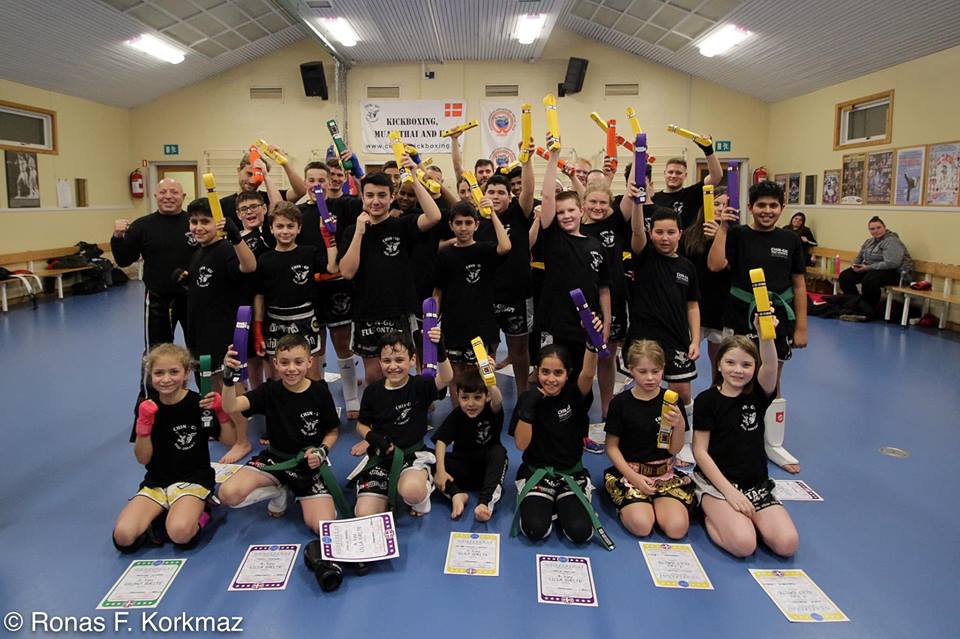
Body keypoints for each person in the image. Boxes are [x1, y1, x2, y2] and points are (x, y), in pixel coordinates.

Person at [707, 180, 807, 474]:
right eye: (761, 205)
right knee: (733, 374)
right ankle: (727, 433)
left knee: (771, 377)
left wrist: (801, 326)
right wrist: (724, 227)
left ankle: (769, 441)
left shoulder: (790, 240)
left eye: (773, 206)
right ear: (750, 207)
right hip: (740, 313)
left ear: (782, 208)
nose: (767, 211)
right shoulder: (737, 235)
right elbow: (715, 265)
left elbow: (800, 285)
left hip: (778, 316)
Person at [112, 344, 236, 552]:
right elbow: (143, 458)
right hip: (157, 482)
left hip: (193, 480)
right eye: (159, 373)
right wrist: (143, 427)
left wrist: (221, 413)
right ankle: (163, 512)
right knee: (124, 537)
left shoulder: (198, 403)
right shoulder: (147, 407)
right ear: (150, 375)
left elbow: (230, 440)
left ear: (186, 372)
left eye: (174, 372)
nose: (166, 379)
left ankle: (201, 510)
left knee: (180, 533)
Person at [219, 335, 345, 534]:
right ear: (276, 364)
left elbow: (332, 431)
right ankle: (278, 491)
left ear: (310, 362)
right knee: (228, 494)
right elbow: (230, 405)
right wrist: (228, 379)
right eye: (285, 363)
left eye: (298, 362)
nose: (291, 369)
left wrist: (322, 451)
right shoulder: (268, 391)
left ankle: (293, 490)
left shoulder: (319, 392)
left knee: (323, 526)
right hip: (275, 460)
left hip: (308, 465)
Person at [692, 332, 800, 558]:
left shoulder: (759, 395)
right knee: (744, 545)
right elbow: (700, 451)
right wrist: (730, 493)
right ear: (719, 364)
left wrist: (766, 334)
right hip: (718, 484)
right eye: (730, 362)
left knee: (787, 544)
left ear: (754, 367)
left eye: (746, 364)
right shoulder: (707, 400)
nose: (738, 370)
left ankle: (742, 520)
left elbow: (771, 364)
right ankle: (709, 511)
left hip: (755, 484)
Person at [339, 165, 443, 385]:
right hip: (366, 311)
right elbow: (347, 272)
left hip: (399, 311)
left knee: (400, 369)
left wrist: (413, 178)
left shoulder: (402, 225)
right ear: (362, 197)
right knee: (374, 375)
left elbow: (434, 216)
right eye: (370, 195)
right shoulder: (352, 231)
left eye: (382, 195)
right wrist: (359, 231)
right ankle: (374, 418)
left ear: (392, 196)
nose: (375, 201)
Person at [111, 178, 196, 438]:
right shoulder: (142, 226)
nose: (168, 196)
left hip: (193, 297)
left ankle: (204, 410)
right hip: (158, 298)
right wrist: (118, 236)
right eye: (163, 192)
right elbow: (124, 259)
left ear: (183, 196)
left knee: (201, 352)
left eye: (174, 192)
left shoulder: (193, 223)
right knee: (155, 355)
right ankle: (148, 411)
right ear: (155, 196)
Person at [511, 335, 612, 549]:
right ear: (537, 371)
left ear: (568, 374)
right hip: (537, 473)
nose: (551, 379)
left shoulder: (574, 395)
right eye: (545, 372)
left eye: (558, 373)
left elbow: (588, 372)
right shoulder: (527, 399)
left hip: (570, 474)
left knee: (580, 532)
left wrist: (591, 342)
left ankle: (562, 505)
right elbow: (520, 445)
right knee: (535, 529)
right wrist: (527, 411)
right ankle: (548, 506)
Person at [623, 199, 701, 464]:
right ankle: (644, 438)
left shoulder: (687, 267)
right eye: (658, 232)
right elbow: (635, 232)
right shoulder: (644, 255)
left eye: (670, 232)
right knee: (645, 389)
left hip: (677, 338)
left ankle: (683, 441)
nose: (664, 238)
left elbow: (692, 305)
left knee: (681, 392)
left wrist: (696, 339)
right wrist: (636, 203)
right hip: (644, 338)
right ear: (650, 233)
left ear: (680, 233)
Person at [181, 198, 257, 462]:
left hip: (223, 332)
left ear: (218, 223)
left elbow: (249, 267)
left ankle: (244, 440)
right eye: (194, 222)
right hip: (201, 330)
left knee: (232, 386)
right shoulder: (198, 252)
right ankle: (228, 429)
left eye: (205, 221)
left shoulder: (226, 248)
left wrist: (236, 237)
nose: (199, 227)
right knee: (212, 383)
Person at [351, 329, 453, 517]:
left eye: (399, 360)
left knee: (412, 491)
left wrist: (441, 352)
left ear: (412, 360)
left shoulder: (419, 385)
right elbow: (361, 425)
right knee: (364, 513)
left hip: (411, 454)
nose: (393, 366)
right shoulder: (372, 392)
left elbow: (446, 378)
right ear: (380, 362)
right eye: (387, 361)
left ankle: (421, 490)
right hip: (382, 457)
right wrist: (372, 437)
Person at [535, 147, 611, 385]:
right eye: (560, 213)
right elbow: (547, 198)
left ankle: (578, 417)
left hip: (585, 323)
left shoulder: (596, 244)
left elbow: (604, 288)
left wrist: (606, 322)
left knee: (582, 376)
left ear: (581, 210)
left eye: (571, 210)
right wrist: (554, 156)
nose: (566, 216)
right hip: (556, 322)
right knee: (553, 377)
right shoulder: (554, 237)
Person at [603, 340, 693, 539]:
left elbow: (674, 449)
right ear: (630, 370)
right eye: (643, 372)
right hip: (631, 473)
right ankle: (634, 505)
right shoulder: (620, 403)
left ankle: (657, 506)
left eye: (655, 371)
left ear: (663, 369)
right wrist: (634, 478)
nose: (650, 378)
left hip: (665, 473)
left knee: (677, 529)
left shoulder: (672, 400)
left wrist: (678, 424)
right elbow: (611, 447)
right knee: (642, 526)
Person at [299, 161, 362, 417]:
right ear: (304, 183)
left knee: (343, 342)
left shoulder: (342, 205)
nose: (316, 184)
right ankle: (320, 398)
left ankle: (351, 396)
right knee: (317, 345)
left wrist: (355, 172)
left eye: (321, 180)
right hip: (310, 286)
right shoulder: (299, 213)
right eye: (311, 180)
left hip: (337, 284)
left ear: (330, 183)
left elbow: (363, 199)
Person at [434, 202, 511, 396]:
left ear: (476, 225)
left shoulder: (484, 251)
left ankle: (477, 418)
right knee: (454, 375)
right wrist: (432, 322)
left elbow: (505, 246)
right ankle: (456, 415)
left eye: (468, 222)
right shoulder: (445, 255)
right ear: (451, 225)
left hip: (481, 325)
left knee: (479, 375)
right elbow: (438, 292)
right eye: (458, 223)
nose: (463, 228)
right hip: (453, 325)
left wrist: (491, 213)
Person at [253, 202, 331, 382]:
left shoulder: (309, 253)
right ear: (271, 229)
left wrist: (329, 237)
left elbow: (333, 266)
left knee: (311, 373)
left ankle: (317, 409)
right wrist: (258, 331)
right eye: (279, 226)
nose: (285, 231)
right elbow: (259, 296)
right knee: (278, 374)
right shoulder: (264, 260)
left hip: (305, 318)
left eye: (290, 226)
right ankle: (282, 410)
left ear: (299, 228)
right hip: (276, 320)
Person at [474, 166, 535, 396]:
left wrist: (527, 160)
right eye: (491, 192)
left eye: (501, 192)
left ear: (510, 197)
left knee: (518, 347)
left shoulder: (518, 214)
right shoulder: (477, 221)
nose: (496, 197)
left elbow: (528, 192)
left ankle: (523, 393)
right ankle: (485, 394)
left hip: (517, 293)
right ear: (484, 195)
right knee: (484, 350)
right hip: (486, 295)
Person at [580, 183, 630, 421]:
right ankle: (578, 406)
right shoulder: (575, 226)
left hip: (614, 298)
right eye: (593, 202)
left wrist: (639, 155)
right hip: (582, 299)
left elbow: (632, 190)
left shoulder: (616, 222)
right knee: (581, 356)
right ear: (584, 203)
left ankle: (607, 407)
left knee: (607, 355)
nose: (598, 207)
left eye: (603, 203)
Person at [432, 369, 509, 522]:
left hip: (487, 472)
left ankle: (485, 503)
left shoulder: (492, 410)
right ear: (458, 397)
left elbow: (498, 399)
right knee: (428, 458)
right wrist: (440, 470)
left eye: (477, 397)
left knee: (499, 453)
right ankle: (456, 494)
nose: (471, 403)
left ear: (487, 397)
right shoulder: (457, 415)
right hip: (461, 471)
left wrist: (489, 378)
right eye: (465, 398)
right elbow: (441, 441)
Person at [679, 186, 733, 373]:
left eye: (726, 205)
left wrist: (721, 235)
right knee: (685, 351)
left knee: (720, 356)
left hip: (721, 305)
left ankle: (716, 390)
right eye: (716, 203)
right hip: (694, 303)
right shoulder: (689, 234)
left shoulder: (735, 235)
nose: (720, 208)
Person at [839, 216, 913, 320]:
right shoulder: (869, 241)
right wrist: (855, 265)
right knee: (845, 276)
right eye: (872, 229)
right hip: (871, 269)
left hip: (894, 272)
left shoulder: (892, 241)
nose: (876, 231)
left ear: (884, 227)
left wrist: (867, 268)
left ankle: (869, 310)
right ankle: (857, 305)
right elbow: (859, 256)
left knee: (869, 280)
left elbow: (892, 263)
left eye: (879, 227)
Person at [652, 141, 723, 229]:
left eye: (678, 173)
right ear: (664, 174)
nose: (673, 176)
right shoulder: (654, 198)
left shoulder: (692, 194)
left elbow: (716, 177)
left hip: (687, 242)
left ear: (685, 175)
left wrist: (708, 150)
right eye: (670, 172)